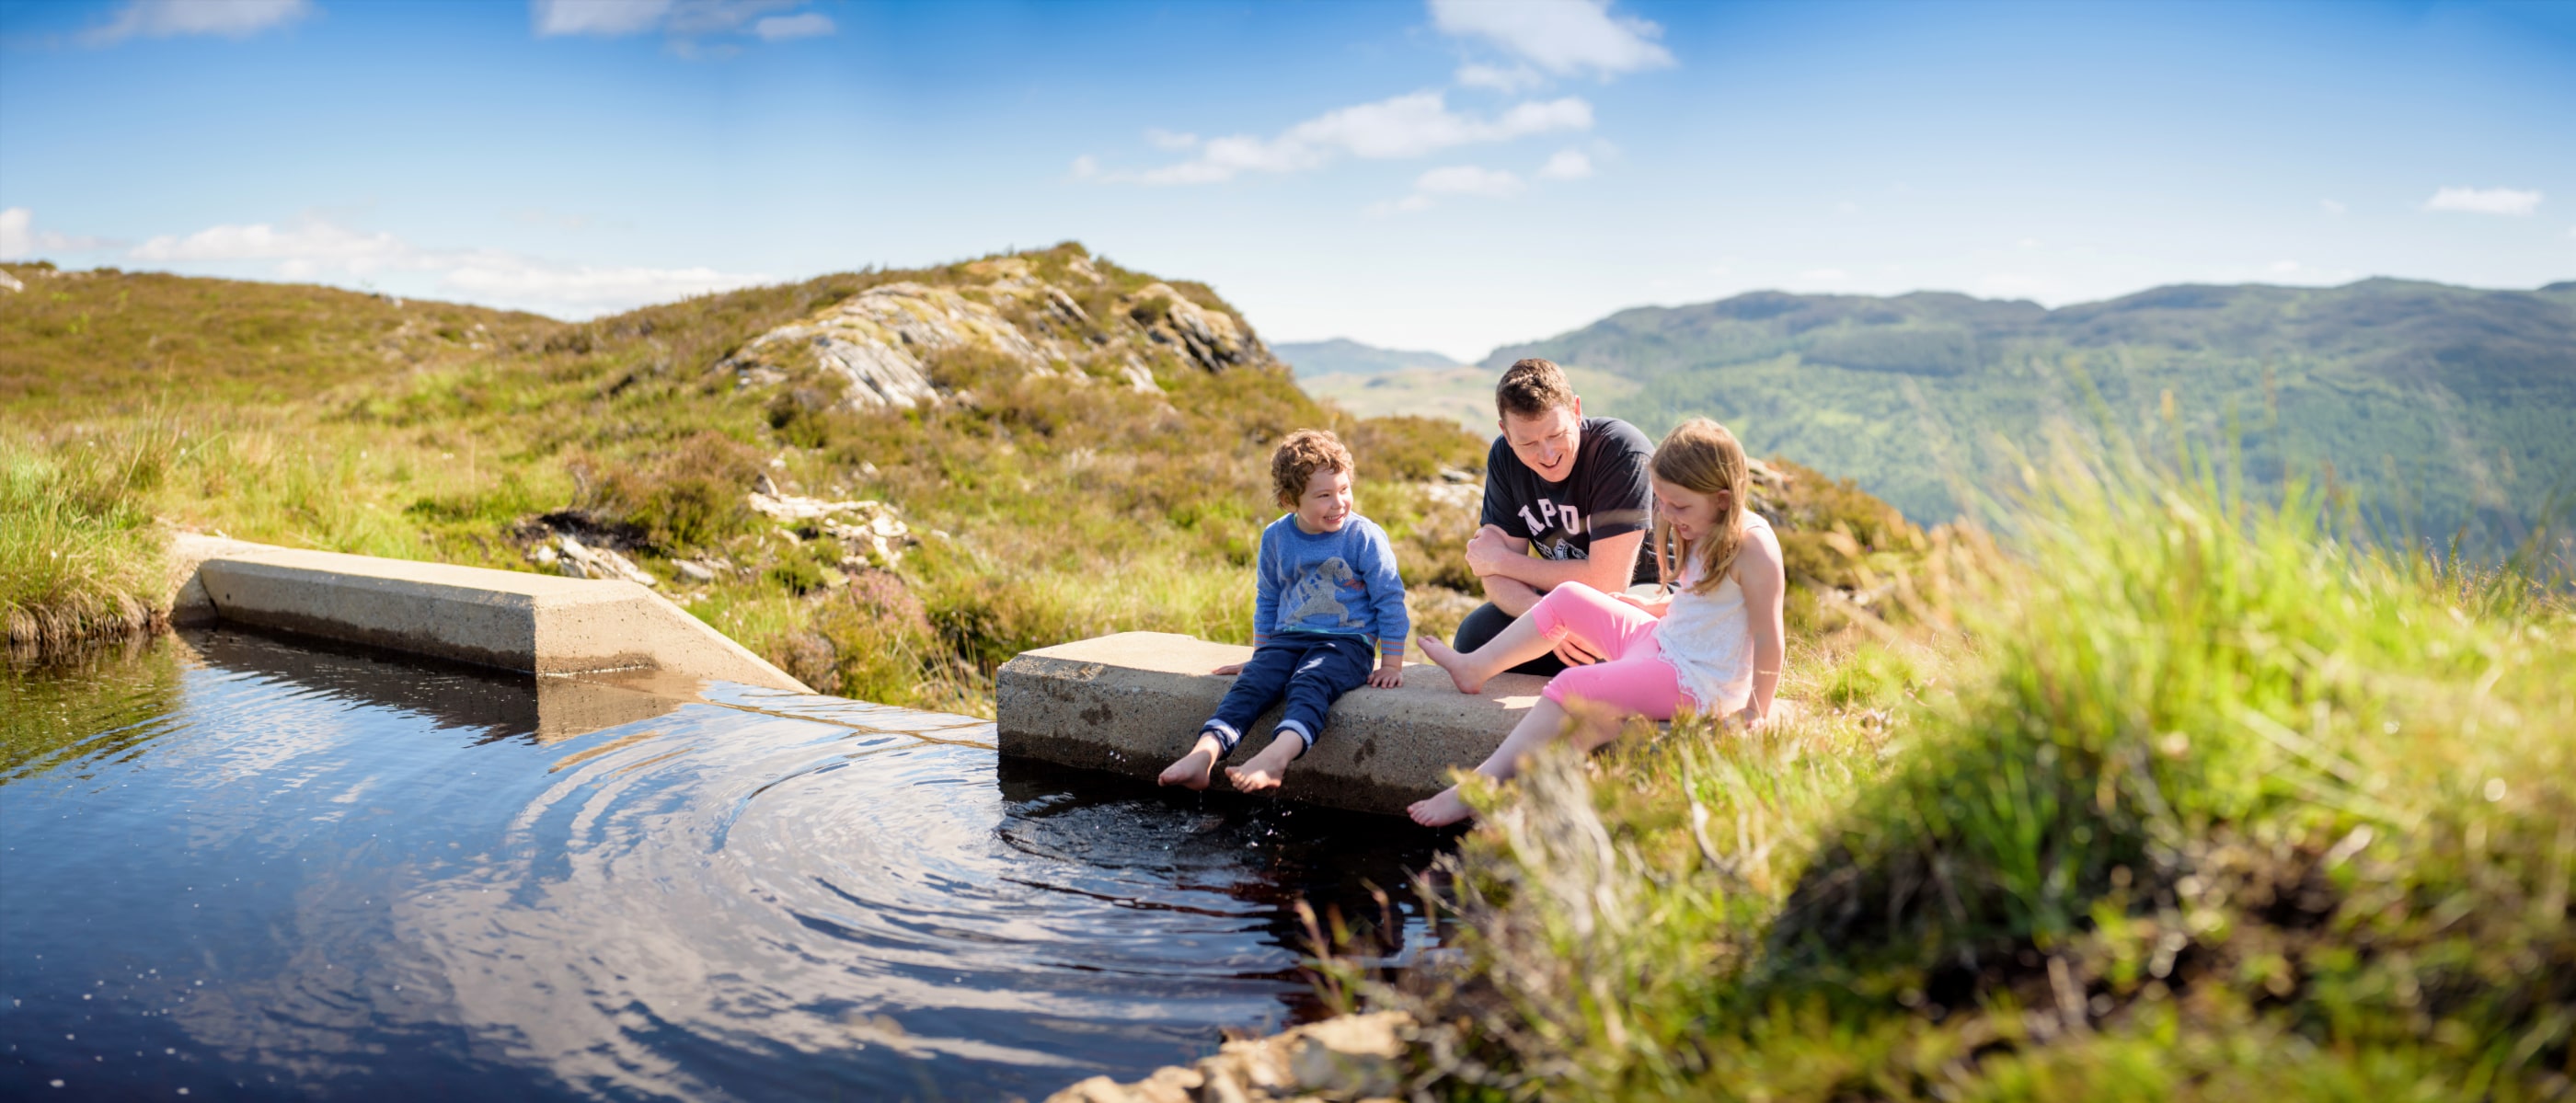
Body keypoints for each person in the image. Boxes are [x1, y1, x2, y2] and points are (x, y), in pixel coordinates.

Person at [1408, 418, 1785, 827]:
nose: (1669, 515)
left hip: (1697, 680)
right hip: (1664, 640)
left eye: (1679, 506)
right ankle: (1474, 667)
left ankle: (1479, 788)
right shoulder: (1698, 523)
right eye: (1661, 502)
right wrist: (1652, 610)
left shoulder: (1753, 547)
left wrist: (1754, 713)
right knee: (1569, 597)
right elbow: (1704, 605)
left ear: (1724, 498)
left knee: (1574, 686)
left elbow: (1769, 636)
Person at [1159, 430, 1408, 794]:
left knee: (1309, 682)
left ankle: (1276, 757)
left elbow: (1390, 598)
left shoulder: (1363, 536)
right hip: (1288, 638)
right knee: (1253, 683)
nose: (1339, 503)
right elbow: (1269, 598)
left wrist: (1391, 664)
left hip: (1347, 643)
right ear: (1289, 500)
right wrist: (1260, 655)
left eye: (1344, 490)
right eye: (1324, 496)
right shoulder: (1276, 537)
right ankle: (1204, 754)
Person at [1455, 358, 1660, 677]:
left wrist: (1502, 562)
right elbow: (1493, 575)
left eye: (1556, 434)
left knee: (1606, 653)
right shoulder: (1504, 457)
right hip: (1561, 605)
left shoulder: (1621, 451)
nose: (1547, 455)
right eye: (1528, 443)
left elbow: (1606, 582)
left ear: (1577, 410)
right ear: (1506, 433)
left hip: (1642, 598)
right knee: (1475, 637)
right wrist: (1547, 621)